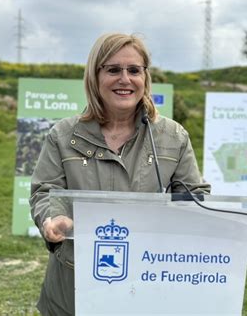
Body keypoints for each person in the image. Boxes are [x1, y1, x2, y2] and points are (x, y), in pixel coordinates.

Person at [30, 33, 210, 315]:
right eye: (113, 69)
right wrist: (53, 217)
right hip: (73, 287)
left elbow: (194, 197)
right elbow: (46, 191)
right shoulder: (63, 135)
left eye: (134, 70)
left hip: (147, 284)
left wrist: (204, 217)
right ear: (95, 76)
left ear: (145, 78)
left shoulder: (173, 136)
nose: (124, 79)